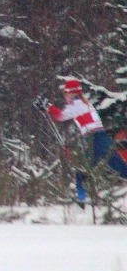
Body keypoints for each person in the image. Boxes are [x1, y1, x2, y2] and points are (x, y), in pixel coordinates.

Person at [44, 78, 127, 206]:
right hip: (96, 139)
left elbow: (61, 116)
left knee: (112, 168)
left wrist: (47, 106)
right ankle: (82, 198)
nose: (65, 97)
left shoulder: (78, 105)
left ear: (73, 93)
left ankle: (82, 199)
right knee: (87, 169)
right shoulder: (80, 104)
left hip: (97, 139)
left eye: (66, 94)